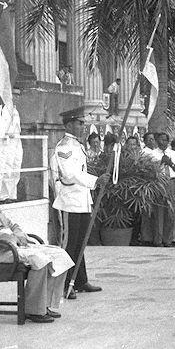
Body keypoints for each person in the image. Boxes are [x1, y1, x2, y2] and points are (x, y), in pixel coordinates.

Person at [0, 161, 74, 323]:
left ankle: (45, 305)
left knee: (59, 254)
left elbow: (11, 225)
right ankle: (34, 310)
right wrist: (9, 238)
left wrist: (19, 235)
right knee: (40, 260)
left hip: (10, 247)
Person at [49, 106, 109, 299]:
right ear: (69, 124)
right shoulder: (64, 147)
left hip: (82, 201)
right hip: (69, 202)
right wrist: (95, 181)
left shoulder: (77, 145)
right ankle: (65, 284)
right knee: (68, 244)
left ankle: (80, 280)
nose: (84, 127)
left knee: (81, 243)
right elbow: (69, 173)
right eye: (80, 123)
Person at [153, 132, 175, 246]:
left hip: (171, 183)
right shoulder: (153, 153)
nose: (164, 142)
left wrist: (170, 163)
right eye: (161, 140)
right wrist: (161, 162)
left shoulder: (173, 154)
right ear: (157, 141)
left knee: (171, 212)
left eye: (166, 140)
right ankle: (158, 240)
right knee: (159, 212)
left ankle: (168, 239)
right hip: (159, 182)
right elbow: (150, 170)